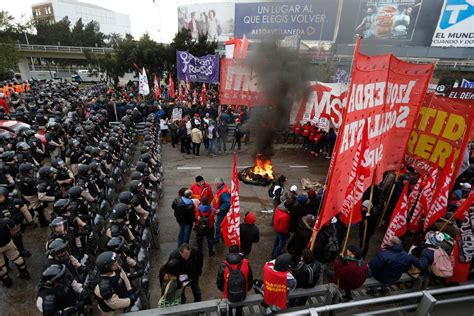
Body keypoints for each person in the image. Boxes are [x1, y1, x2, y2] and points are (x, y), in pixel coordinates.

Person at [216, 245, 253, 316]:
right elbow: (250, 279)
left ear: (229, 253)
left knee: (229, 308)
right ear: (239, 253)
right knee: (239, 308)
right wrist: (246, 289)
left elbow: (219, 282)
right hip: (242, 293)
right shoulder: (246, 263)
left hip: (228, 294)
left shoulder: (223, 265)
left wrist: (223, 290)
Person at [0, 217, 30, 287]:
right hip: (8, 243)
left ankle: (7, 281)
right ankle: (24, 273)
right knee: (17, 258)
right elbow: (13, 226)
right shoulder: (5, 220)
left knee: (0, 266)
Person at [213, 178, 230, 242]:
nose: (214, 184)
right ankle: (223, 236)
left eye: (215, 183)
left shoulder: (223, 192)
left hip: (222, 212)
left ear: (218, 184)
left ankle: (217, 238)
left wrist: (220, 209)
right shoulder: (223, 187)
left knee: (218, 225)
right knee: (223, 224)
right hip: (222, 211)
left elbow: (227, 202)